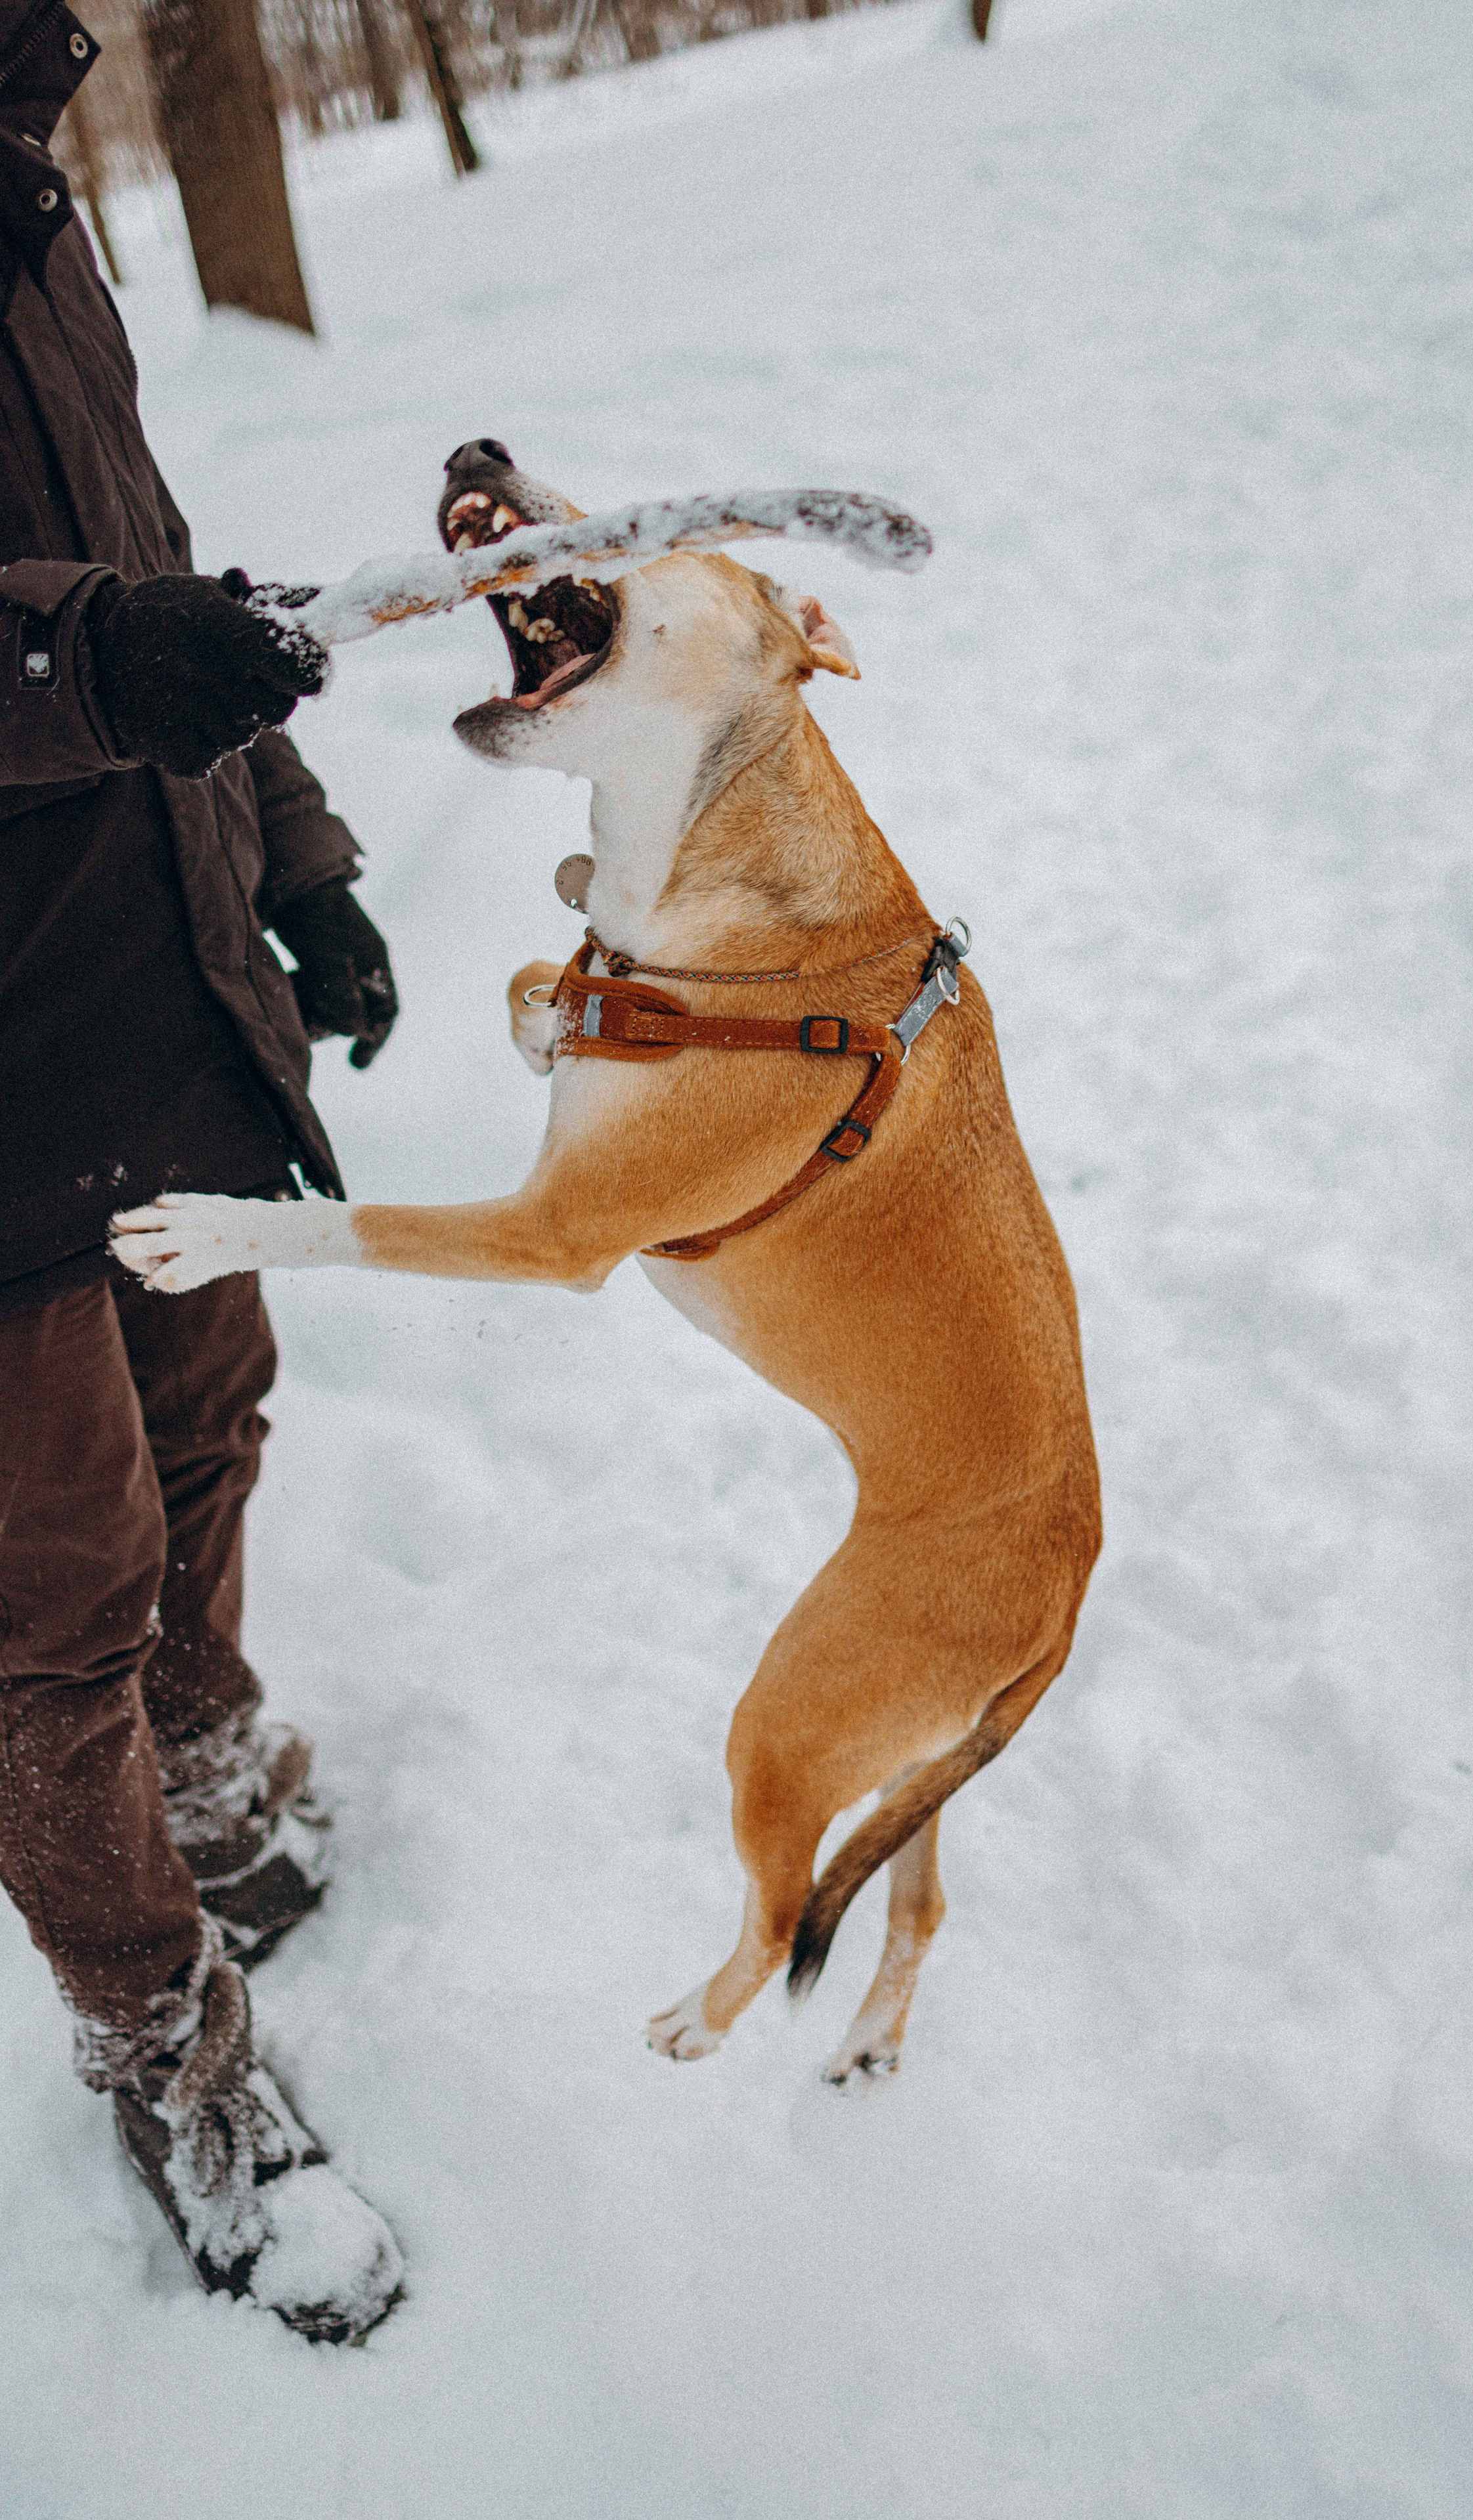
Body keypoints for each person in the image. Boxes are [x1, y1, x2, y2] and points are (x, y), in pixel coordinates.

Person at [0, 0, 403, 2340]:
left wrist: (300, 852)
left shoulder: (35, 183)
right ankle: (169, 2055)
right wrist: (92, 669)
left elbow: (144, 568)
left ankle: (214, 1769)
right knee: (45, 1614)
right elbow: (87, 639)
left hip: (153, 992)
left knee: (207, 1429)